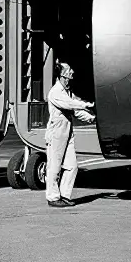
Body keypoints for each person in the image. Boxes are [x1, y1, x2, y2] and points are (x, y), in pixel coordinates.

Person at [45, 62, 95, 208]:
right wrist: (87, 104)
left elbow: (76, 111)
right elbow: (69, 104)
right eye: (68, 72)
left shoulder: (67, 91)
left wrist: (92, 118)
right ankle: (53, 197)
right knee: (54, 166)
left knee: (72, 166)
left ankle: (64, 195)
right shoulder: (55, 92)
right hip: (56, 132)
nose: (71, 74)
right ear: (62, 75)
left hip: (67, 131)